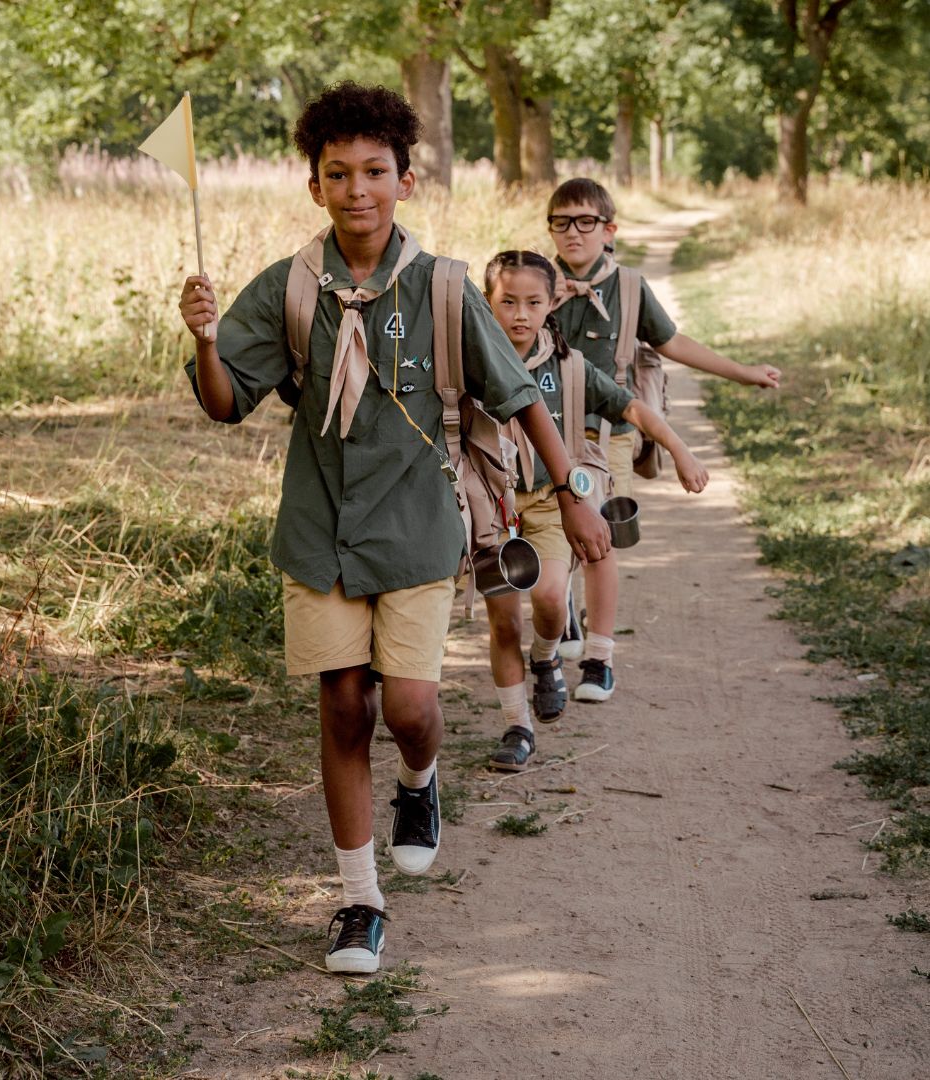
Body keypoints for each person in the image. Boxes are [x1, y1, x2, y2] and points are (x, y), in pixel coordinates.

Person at [177, 84, 611, 975]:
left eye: (375, 171)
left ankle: (420, 781)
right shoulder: (291, 285)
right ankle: (357, 901)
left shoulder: (446, 287)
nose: (356, 189)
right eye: (337, 173)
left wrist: (570, 490)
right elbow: (226, 406)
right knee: (342, 704)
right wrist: (206, 340)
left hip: (415, 530)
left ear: (406, 181)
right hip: (319, 529)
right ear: (314, 186)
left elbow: (520, 397)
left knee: (409, 710)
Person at [545, 178, 780, 693]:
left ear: (609, 230)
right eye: (560, 222)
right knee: (552, 535)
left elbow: (672, 343)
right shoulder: (537, 283)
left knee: (601, 538)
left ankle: (599, 658)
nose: (572, 233)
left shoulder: (629, 287)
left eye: (585, 221)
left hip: (611, 434)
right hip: (545, 434)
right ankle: (560, 608)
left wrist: (742, 371)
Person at [482, 251, 709, 769]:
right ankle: (517, 728)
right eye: (507, 302)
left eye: (533, 302)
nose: (520, 314)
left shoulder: (569, 367)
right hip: (491, 506)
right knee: (502, 624)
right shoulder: (471, 365)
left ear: (551, 304)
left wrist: (681, 450)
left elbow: (630, 407)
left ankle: (545, 659)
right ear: (485, 304)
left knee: (549, 600)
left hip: (549, 505)